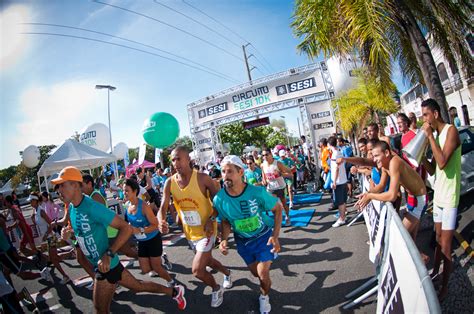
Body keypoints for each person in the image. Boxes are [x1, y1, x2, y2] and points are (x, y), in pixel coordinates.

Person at [54, 166, 186, 313]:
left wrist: (108, 254)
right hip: (106, 264)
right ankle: (174, 292)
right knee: (138, 286)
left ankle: (170, 283)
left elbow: (126, 228)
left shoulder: (92, 206)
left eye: (62, 185)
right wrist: (69, 237)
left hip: (106, 266)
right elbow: (84, 235)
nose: (58, 190)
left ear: (74, 184)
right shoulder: (72, 208)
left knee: (100, 310)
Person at [158, 146, 232, 308]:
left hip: (207, 231)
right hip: (190, 233)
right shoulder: (169, 183)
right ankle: (227, 273)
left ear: (188, 159)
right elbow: (162, 207)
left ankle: (216, 288)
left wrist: (211, 218)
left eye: (179, 158)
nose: (175, 162)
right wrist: (161, 220)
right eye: (173, 159)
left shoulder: (203, 179)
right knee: (209, 262)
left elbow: (219, 203)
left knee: (197, 270)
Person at [212, 155, 282, 314]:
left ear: (240, 172)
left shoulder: (257, 192)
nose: (225, 175)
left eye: (230, 171)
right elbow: (225, 221)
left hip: (263, 237)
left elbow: (277, 209)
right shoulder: (219, 199)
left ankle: (264, 296)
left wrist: (275, 236)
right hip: (243, 242)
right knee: (255, 273)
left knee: (263, 273)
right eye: (223, 171)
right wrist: (224, 239)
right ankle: (263, 285)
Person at [421, 99, 461, 301]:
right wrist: (420, 159)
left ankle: (445, 288)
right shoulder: (436, 135)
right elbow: (434, 169)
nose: (424, 120)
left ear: (435, 114)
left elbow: (443, 162)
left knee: (446, 247)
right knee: (437, 240)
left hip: (450, 198)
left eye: (425, 115)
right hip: (438, 196)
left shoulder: (451, 131)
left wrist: (429, 137)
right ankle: (436, 273)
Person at [355, 141, 427, 240]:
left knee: (400, 238)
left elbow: (392, 196)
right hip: (411, 198)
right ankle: (420, 255)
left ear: (387, 153)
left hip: (419, 200)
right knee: (409, 239)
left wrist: (370, 197)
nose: (374, 160)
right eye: (373, 156)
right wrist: (367, 193)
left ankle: (421, 255)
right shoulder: (385, 164)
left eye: (376, 156)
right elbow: (381, 186)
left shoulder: (394, 162)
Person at [123, 179, 174, 286]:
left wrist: (140, 230)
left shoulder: (144, 207)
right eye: (123, 190)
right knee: (145, 269)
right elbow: (129, 224)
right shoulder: (127, 206)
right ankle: (162, 258)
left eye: (127, 191)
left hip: (153, 239)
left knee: (156, 267)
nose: (124, 193)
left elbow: (155, 225)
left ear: (135, 191)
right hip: (141, 241)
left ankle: (171, 281)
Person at [29, 192, 71, 284]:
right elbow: (39, 224)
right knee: (53, 258)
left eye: (31, 201)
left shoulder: (41, 211)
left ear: (36, 201)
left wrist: (45, 235)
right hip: (48, 238)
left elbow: (51, 224)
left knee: (53, 259)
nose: (30, 203)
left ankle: (65, 276)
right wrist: (33, 219)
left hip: (51, 237)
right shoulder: (35, 211)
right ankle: (71, 254)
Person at [260, 148, 292, 226]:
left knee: (284, 204)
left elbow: (290, 173)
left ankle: (287, 217)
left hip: (280, 187)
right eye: (263, 155)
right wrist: (264, 180)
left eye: (266, 155)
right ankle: (277, 219)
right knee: (272, 205)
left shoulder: (278, 164)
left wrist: (281, 174)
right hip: (271, 188)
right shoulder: (262, 165)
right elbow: (263, 174)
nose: (265, 157)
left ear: (271, 154)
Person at [327, 137, 348, 227]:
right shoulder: (339, 152)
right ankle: (343, 216)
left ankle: (342, 218)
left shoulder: (335, 154)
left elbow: (336, 169)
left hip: (339, 181)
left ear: (329, 144)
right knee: (342, 201)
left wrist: (334, 182)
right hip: (343, 180)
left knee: (340, 202)